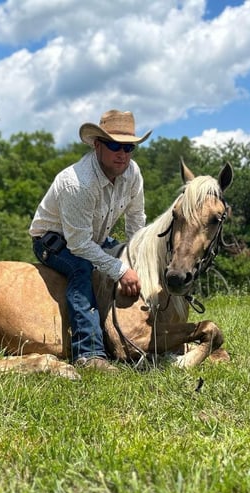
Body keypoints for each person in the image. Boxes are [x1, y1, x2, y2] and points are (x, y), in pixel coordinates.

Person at [29, 109, 152, 372]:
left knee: (121, 257)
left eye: (129, 147)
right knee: (81, 269)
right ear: (97, 145)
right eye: (114, 145)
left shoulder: (132, 173)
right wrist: (121, 270)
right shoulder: (78, 184)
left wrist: (134, 257)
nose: (123, 153)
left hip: (93, 238)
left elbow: (135, 218)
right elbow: (79, 246)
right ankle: (89, 354)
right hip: (53, 241)